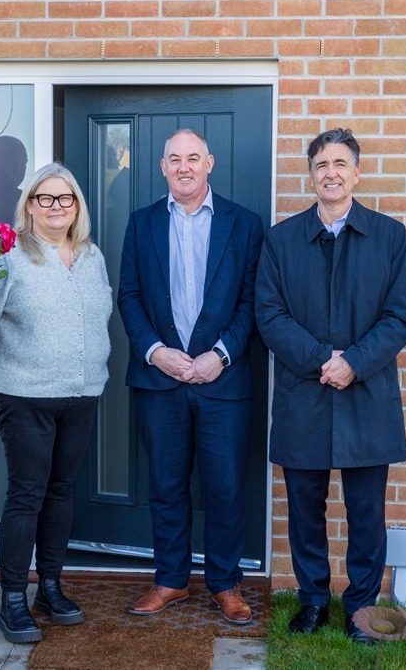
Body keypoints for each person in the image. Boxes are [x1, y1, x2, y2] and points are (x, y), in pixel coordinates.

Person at [254, 128, 406, 645]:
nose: (331, 172)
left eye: (341, 163)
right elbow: (270, 316)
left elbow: (398, 318)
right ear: (311, 175)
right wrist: (323, 360)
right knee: (305, 511)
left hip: (367, 395)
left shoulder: (390, 236)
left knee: (368, 514)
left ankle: (362, 606)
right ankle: (314, 601)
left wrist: (354, 363)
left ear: (357, 173)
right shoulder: (281, 240)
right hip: (305, 395)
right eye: (322, 164)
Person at [117, 128, 264, 624]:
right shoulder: (140, 225)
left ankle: (226, 585)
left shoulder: (244, 224)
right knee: (166, 484)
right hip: (159, 380)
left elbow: (252, 302)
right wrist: (155, 352)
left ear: (209, 164)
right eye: (174, 159)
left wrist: (220, 355)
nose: (184, 167)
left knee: (224, 486)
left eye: (193, 158)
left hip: (223, 381)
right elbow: (129, 296)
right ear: (163, 167)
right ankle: (171, 580)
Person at [0, 163, 113, 643]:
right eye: (45, 199)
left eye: (65, 199)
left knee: (60, 492)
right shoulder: (9, 258)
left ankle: (49, 587)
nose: (56, 207)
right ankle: (12, 598)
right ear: (29, 205)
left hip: (83, 394)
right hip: (26, 397)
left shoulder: (92, 256)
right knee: (27, 495)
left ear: (77, 206)